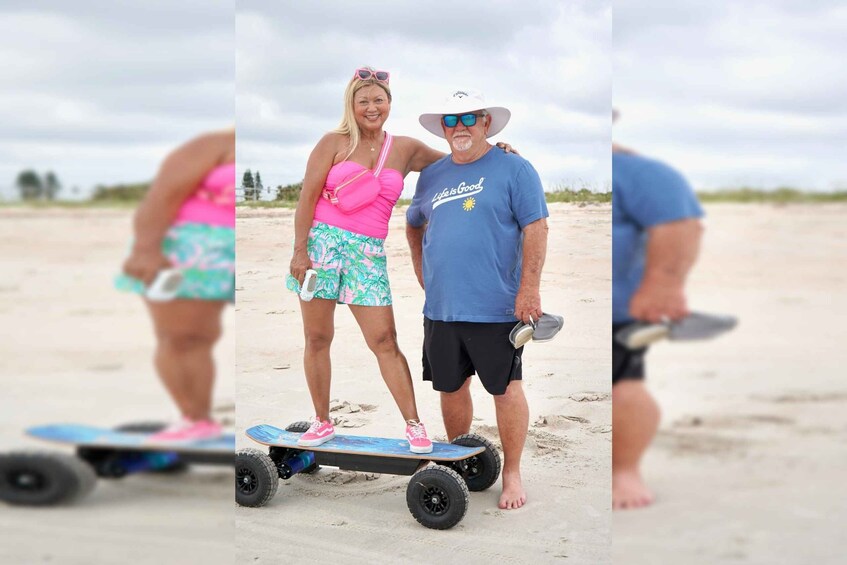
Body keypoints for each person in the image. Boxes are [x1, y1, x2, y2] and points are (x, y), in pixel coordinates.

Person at [286, 68, 515, 453]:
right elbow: (306, 198)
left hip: (368, 253)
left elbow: (461, 158)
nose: (372, 108)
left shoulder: (404, 148)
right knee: (317, 338)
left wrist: (498, 153)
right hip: (321, 246)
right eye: (363, 101)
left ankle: (414, 426)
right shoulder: (333, 142)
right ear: (351, 105)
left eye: (379, 100)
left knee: (385, 340)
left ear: (389, 103)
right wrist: (299, 251)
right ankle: (322, 420)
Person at [405, 89, 549, 509]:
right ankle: (457, 460)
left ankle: (513, 473)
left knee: (506, 390)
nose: (461, 126)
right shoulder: (432, 174)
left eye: (470, 118)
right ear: (443, 129)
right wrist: (420, 267)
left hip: (498, 306)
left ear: (487, 122)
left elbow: (536, 228)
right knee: (450, 388)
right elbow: (413, 223)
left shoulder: (515, 168)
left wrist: (529, 288)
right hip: (443, 308)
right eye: (452, 120)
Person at [115, 129, 235, 441]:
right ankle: (195, 419)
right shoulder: (215, 144)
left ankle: (197, 419)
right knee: (184, 338)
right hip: (188, 247)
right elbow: (161, 197)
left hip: (232, 252)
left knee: (205, 336)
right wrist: (146, 249)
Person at [612, 136, 704, 510]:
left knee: (626, 385)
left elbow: (683, 224)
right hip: (615, 302)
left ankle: (625, 469)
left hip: (626, 308)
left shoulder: (637, 171)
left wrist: (663, 286)